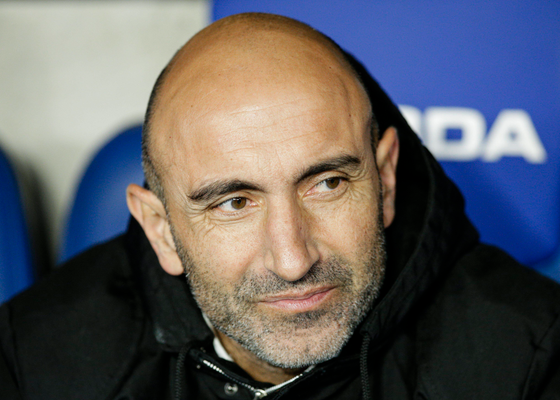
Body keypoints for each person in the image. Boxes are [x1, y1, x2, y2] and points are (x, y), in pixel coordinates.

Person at [1, 12, 559, 400]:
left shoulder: (534, 358)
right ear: (160, 229)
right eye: (234, 203)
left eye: (328, 184)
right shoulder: (32, 362)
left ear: (386, 181)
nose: (293, 260)